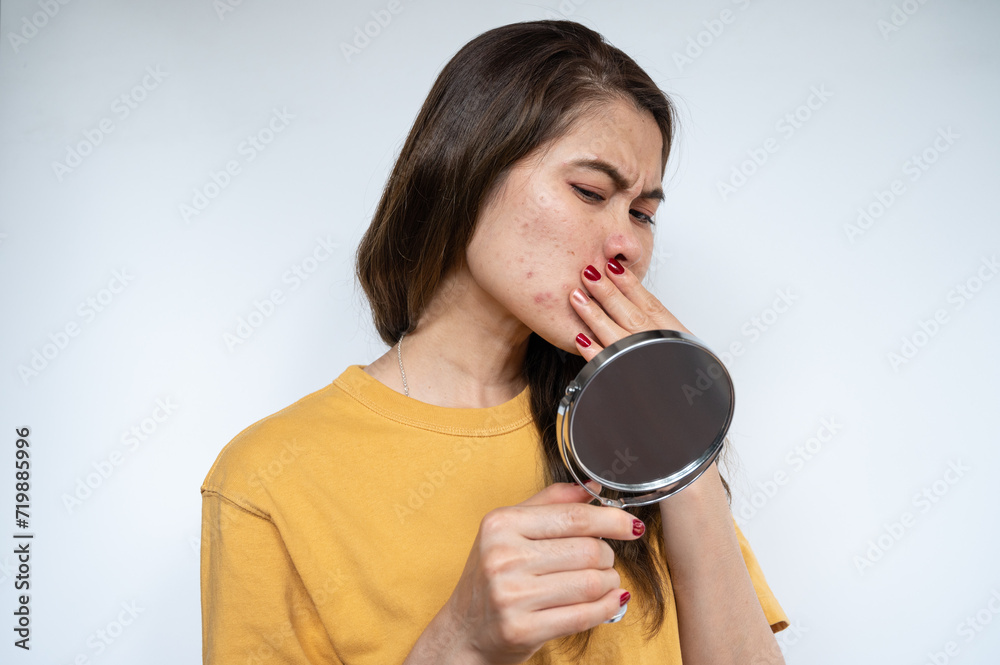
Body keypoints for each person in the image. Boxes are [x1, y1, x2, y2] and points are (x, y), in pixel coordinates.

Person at [200, 19, 789, 665]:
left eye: (643, 213)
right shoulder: (269, 478)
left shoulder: (642, 427)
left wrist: (685, 453)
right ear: (468, 171)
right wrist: (461, 641)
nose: (628, 243)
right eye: (590, 191)